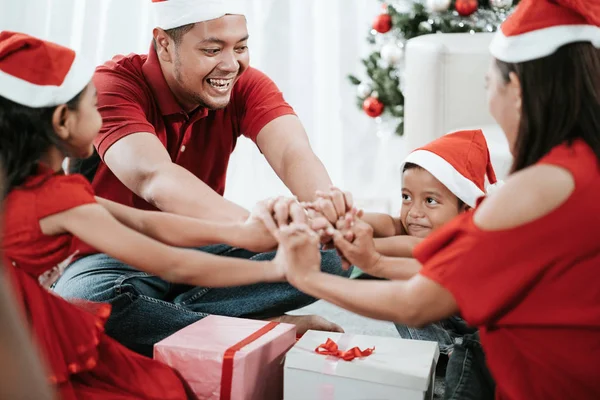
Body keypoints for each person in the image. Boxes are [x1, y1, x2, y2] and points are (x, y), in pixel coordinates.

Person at [274, 0, 600, 398]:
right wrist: (372, 261)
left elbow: (417, 305)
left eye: (487, 84)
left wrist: (307, 276)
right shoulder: (580, 167)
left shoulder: (538, 189)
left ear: (515, 88)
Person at [0, 30, 331, 399]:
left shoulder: (33, 185)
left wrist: (245, 233)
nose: (230, 61)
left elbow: (144, 221)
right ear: (62, 121)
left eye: (239, 47)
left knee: (327, 255)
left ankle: (175, 317)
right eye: (93, 108)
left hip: (36, 307)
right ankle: (236, 328)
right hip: (26, 321)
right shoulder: (57, 197)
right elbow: (171, 260)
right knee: (159, 385)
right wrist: (275, 269)